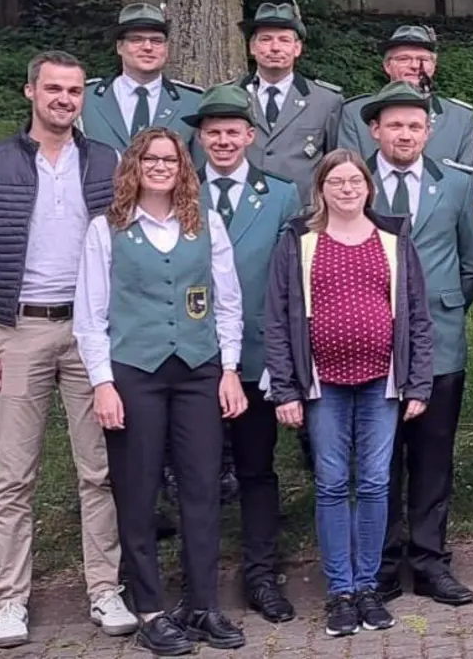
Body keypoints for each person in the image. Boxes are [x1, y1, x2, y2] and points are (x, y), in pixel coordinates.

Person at [0, 50, 134, 649]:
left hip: (89, 332)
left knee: (100, 470)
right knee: (13, 476)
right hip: (19, 331)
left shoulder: (105, 162)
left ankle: (105, 589)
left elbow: (122, 255)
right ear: (29, 91)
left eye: (75, 90)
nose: (64, 99)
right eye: (53, 88)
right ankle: (12, 600)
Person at [73, 129, 248, 655]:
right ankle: (150, 609)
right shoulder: (108, 230)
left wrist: (230, 369)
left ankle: (201, 604)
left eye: (170, 159)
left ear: (182, 167)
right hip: (134, 373)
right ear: (135, 165)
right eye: (150, 158)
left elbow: (228, 301)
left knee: (201, 490)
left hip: (198, 371)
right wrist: (103, 383)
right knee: (138, 491)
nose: (160, 166)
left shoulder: (206, 223)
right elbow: (90, 316)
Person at [264, 150, 435, 637]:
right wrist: (286, 389)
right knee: (334, 483)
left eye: (354, 181)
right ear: (320, 188)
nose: (345, 189)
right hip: (323, 386)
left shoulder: (392, 240)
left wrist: (417, 381)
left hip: (382, 382)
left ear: (368, 187)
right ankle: (340, 591)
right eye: (335, 182)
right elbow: (277, 319)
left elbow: (417, 315)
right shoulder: (300, 242)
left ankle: (368, 588)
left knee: (377, 482)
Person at [358, 83, 473, 607]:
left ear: (428, 132)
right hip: (368, 342)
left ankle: (431, 561)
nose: (405, 134)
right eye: (395, 125)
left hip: (439, 340)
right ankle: (382, 564)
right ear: (375, 130)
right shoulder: (351, 181)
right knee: (377, 459)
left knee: (433, 456)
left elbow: (472, 260)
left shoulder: (455, 185)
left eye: (415, 126)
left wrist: (449, 304)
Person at [188, 85, 303, 622]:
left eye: (233, 131)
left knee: (258, 469)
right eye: (213, 132)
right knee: (199, 473)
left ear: (250, 137)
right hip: (192, 357)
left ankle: (261, 575)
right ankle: (199, 585)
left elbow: (289, 282)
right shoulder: (181, 191)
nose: (223, 141)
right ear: (201, 138)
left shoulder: (280, 195)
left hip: (258, 357)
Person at [234, 2, 343, 204]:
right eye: (266, 39)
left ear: (297, 48)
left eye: (284, 40)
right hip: (241, 211)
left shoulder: (326, 101)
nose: (275, 48)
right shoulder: (230, 95)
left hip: (303, 216)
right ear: (252, 47)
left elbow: (335, 164)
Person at [338, 25, 473, 165]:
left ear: (434, 66)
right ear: (387, 65)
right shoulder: (354, 113)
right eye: (404, 59)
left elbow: (466, 180)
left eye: (423, 59)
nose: (415, 66)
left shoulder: (460, 118)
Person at [78, 3, 203, 156]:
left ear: (166, 48)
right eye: (136, 40)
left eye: (156, 41)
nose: (148, 47)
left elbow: (200, 170)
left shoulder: (193, 102)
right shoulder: (86, 98)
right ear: (119, 47)